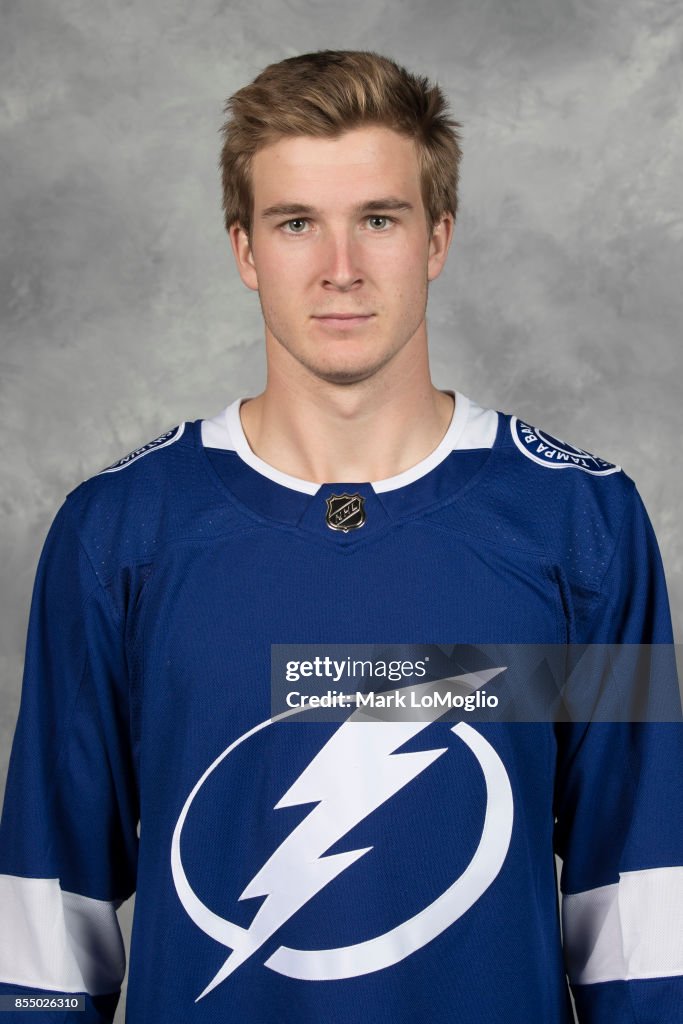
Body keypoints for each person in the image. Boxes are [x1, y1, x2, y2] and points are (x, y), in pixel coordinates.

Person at [0, 49, 680, 1024]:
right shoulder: (117, 534)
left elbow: (640, 907)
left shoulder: (581, 523)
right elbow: (44, 919)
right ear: (243, 250)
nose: (339, 269)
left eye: (377, 219)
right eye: (294, 224)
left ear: (436, 237)